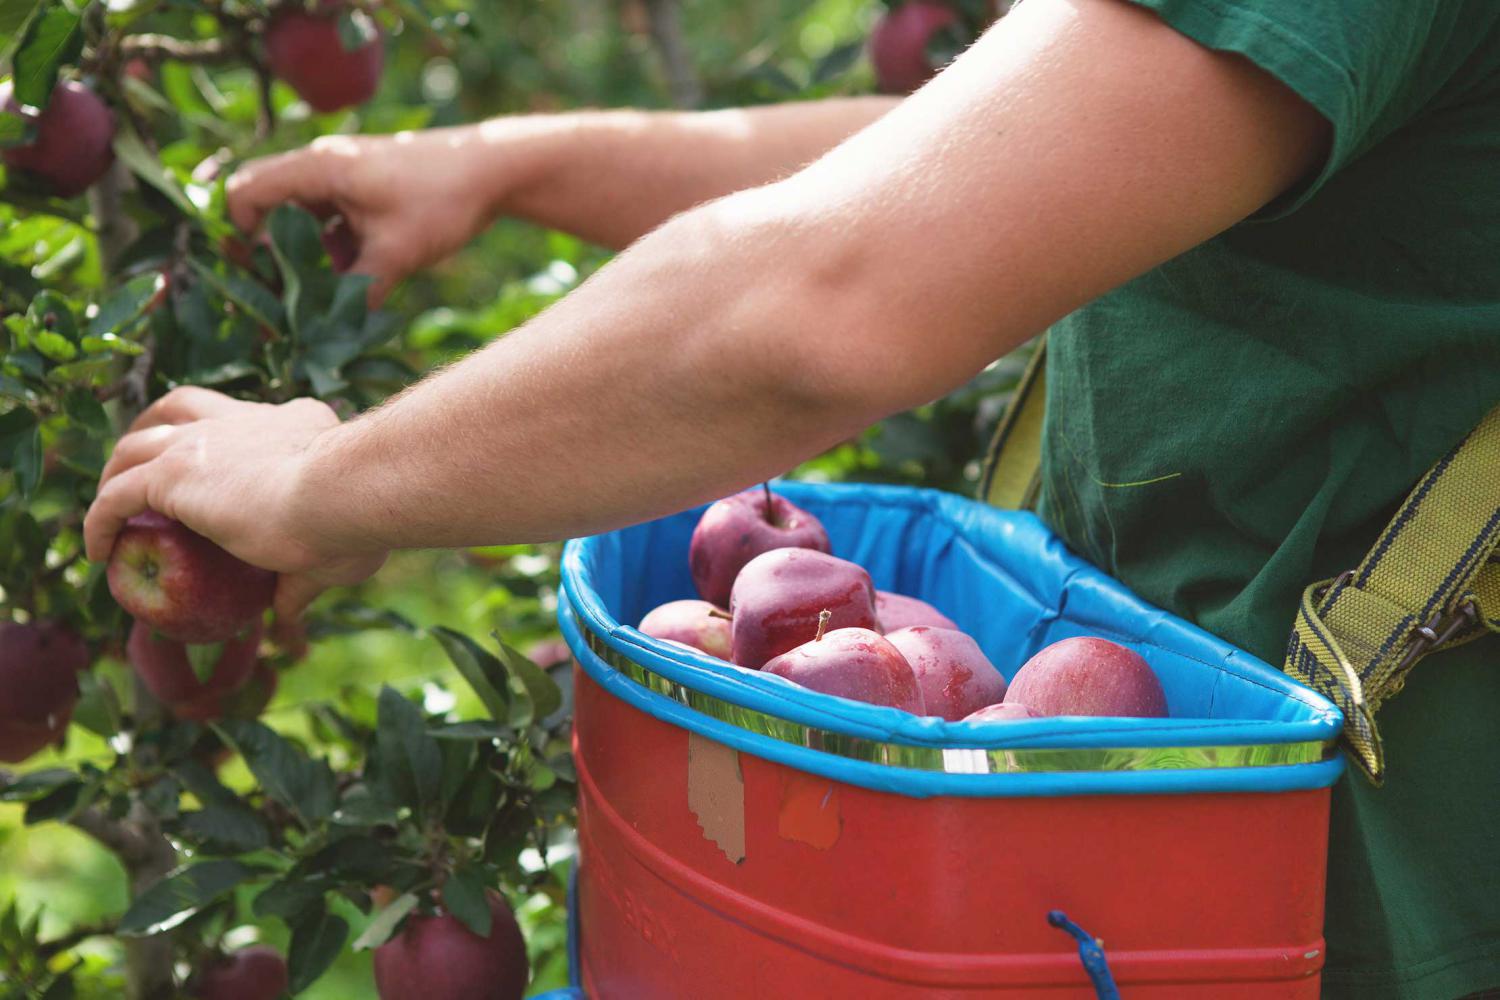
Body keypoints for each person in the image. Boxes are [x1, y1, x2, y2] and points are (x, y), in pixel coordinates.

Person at [82, 0, 1500, 996]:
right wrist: (510, 164)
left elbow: (833, 296)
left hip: (1348, 904)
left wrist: (330, 483)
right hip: (1120, 873)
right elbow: (977, 149)